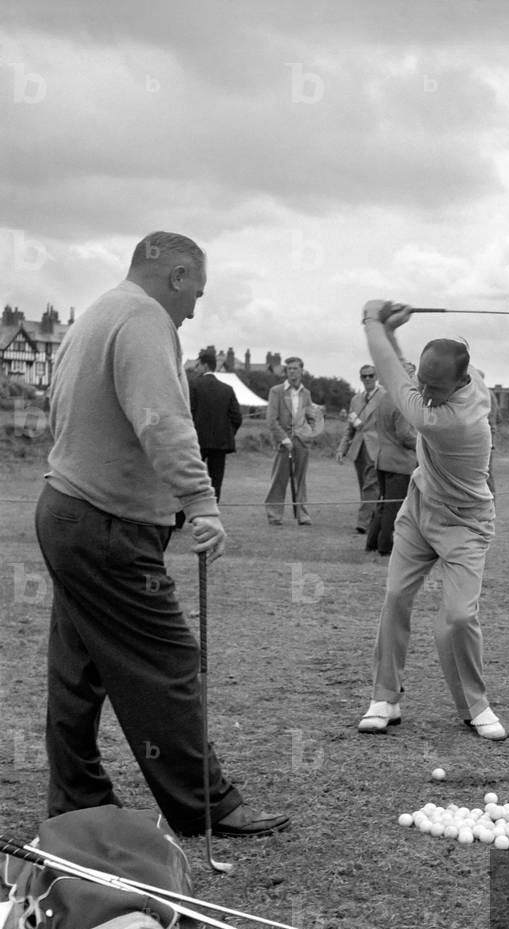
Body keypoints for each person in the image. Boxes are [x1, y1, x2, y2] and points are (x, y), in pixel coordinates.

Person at [34, 231, 289, 838]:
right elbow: (163, 420)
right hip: (104, 526)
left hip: (67, 509)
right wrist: (202, 501)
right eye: (197, 291)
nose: (197, 308)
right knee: (169, 659)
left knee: (79, 666)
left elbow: (60, 409)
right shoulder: (145, 320)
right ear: (176, 276)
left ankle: (76, 801)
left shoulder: (98, 312)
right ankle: (205, 804)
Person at [356, 300, 507, 741]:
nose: (426, 393)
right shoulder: (461, 382)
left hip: (466, 523)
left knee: (459, 616)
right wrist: (393, 333)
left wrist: (373, 323)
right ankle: (385, 696)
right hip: (420, 508)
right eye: (424, 383)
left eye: (436, 388)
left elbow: (390, 374)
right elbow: (407, 373)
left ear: (462, 382)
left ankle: (473, 705)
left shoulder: (451, 420)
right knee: (396, 596)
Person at [365, 362, 418, 555]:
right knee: (393, 507)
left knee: (383, 504)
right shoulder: (402, 401)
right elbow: (404, 435)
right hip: (399, 463)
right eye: (412, 375)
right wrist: (421, 444)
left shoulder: (385, 398)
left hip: (382, 460)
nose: (415, 379)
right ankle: (386, 547)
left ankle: (372, 543)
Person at [264, 356, 318, 525]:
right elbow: (272, 420)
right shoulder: (276, 391)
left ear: (302, 370)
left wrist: (308, 434)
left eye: (295, 368)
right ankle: (274, 514)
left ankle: (302, 514)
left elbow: (311, 418)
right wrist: (284, 439)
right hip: (284, 442)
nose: (292, 371)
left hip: (302, 442)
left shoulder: (306, 393)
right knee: (279, 479)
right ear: (286, 372)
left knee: (301, 479)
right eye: (289, 369)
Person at [188, 348, 242, 502]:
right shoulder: (227, 389)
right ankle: (211, 515)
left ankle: (180, 519)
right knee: (216, 482)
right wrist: (227, 433)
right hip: (220, 442)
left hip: (196, 441)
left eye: (198, 365)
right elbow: (237, 418)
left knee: (191, 479)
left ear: (205, 366)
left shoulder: (193, 385)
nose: (196, 369)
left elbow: (188, 413)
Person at [338, 364, 382, 534]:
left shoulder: (385, 396)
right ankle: (374, 521)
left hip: (377, 448)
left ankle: (362, 523)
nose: (368, 379)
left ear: (376, 376)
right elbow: (349, 429)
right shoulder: (355, 400)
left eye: (371, 375)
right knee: (365, 487)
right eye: (364, 376)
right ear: (360, 378)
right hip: (358, 449)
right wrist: (342, 448)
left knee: (371, 486)